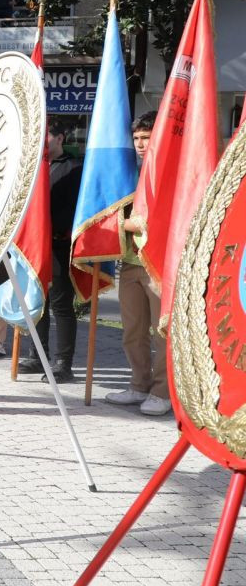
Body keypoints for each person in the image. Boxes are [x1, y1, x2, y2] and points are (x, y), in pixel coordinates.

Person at [108, 112, 170, 416]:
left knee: (162, 332)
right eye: (136, 138)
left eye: (146, 137)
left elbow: (154, 221)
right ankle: (139, 384)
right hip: (130, 262)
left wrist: (113, 222)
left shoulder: (168, 171)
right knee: (132, 329)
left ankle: (163, 391)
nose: (140, 144)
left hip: (159, 264)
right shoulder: (129, 170)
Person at [18, 117, 83, 383]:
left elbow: (72, 210)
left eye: (47, 136)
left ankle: (62, 363)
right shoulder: (31, 167)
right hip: (33, 246)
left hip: (58, 245)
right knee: (35, 302)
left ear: (60, 138)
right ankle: (37, 356)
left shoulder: (74, 168)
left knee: (60, 305)